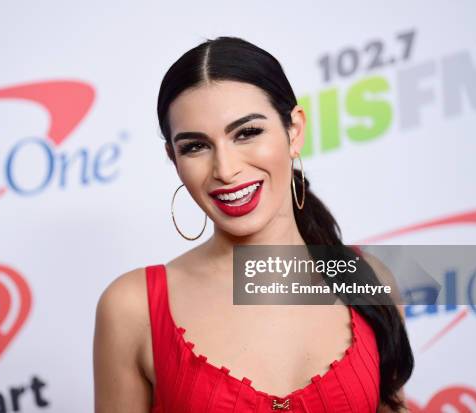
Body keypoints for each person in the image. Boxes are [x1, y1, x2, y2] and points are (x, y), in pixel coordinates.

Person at [93, 36, 413, 412]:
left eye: (247, 133)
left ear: (294, 131)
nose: (226, 170)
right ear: (173, 158)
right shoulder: (133, 308)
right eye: (195, 146)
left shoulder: (369, 279)